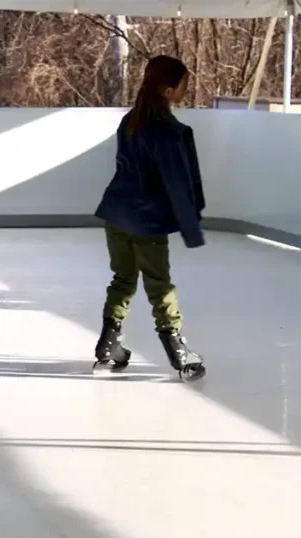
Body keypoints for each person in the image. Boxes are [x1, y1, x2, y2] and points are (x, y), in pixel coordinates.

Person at [92, 55, 206, 382]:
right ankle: (178, 351)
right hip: (146, 221)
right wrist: (191, 228)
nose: (187, 90)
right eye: (185, 84)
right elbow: (178, 183)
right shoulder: (171, 132)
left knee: (123, 280)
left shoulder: (130, 120)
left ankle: (108, 346)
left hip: (115, 214)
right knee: (160, 285)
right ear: (169, 89)